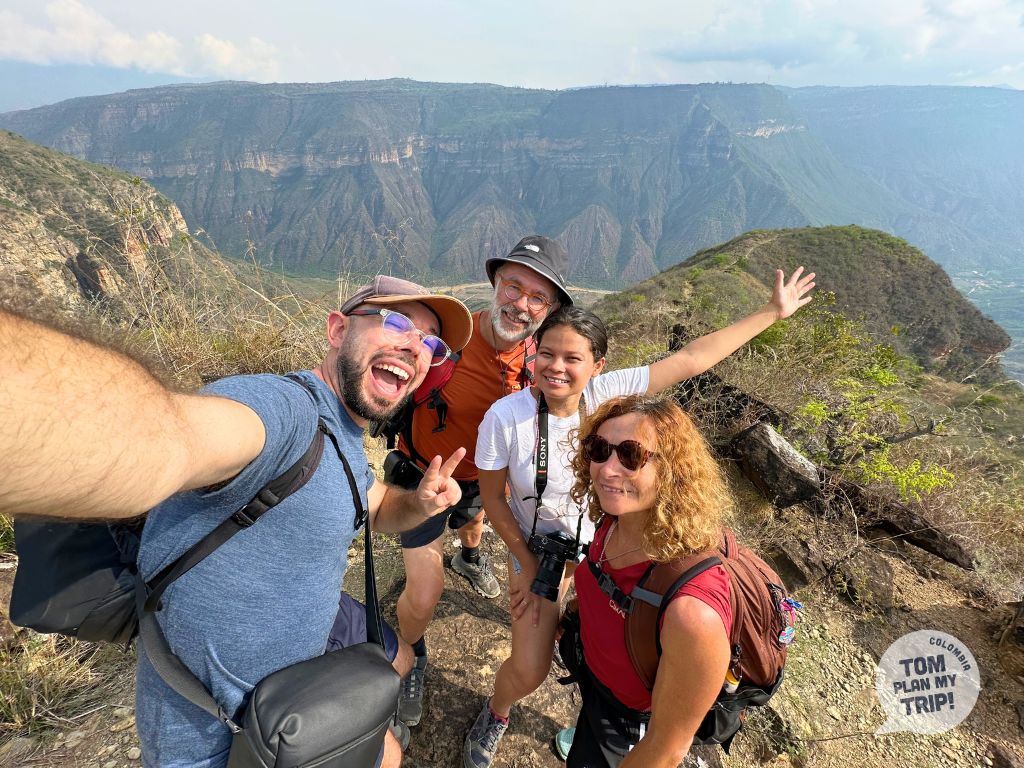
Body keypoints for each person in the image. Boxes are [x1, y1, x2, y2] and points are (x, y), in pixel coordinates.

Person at [0, 276, 474, 768]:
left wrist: (417, 505)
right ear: (337, 330)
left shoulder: (346, 438)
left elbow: (373, 506)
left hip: (301, 695)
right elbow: (165, 436)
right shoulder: (285, 412)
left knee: (389, 747)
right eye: (396, 321)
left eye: (430, 341)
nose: (415, 346)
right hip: (214, 735)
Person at [464, 267, 816, 768]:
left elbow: (692, 359)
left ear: (597, 365)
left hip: (609, 552)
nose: (556, 367)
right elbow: (493, 499)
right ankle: (497, 711)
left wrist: (771, 313)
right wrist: (521, 563)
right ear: (531, 355)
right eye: (545, 354)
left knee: (611, 657)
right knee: (529, 667)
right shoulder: (506, 417)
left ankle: (599, 724)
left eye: (572, 358)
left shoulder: (609, 397)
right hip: (540, 551)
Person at [389, 235, 574, 729]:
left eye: (539, 297)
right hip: (422, 476)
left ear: (550, 308)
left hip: (482, 483)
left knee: (472, 523)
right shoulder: (447, 343)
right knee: (425, 592)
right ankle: (409, 654)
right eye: (514, 287)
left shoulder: (541, 364)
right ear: (495, 284)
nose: (521, 304)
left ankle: (469, 557)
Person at [562, 394, 735, 767]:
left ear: (673, 470)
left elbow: (665, 750)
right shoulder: (617, 517)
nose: (608, 470)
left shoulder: (693, 613)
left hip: (627, 721)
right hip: (596, 678)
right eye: (599, 449)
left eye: (631, 455)